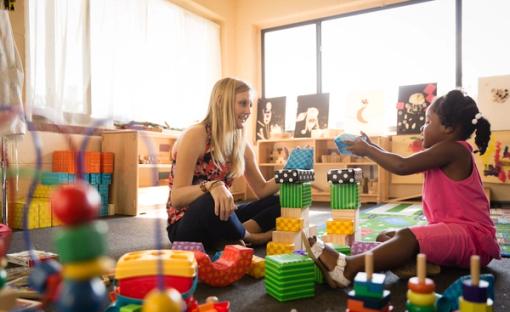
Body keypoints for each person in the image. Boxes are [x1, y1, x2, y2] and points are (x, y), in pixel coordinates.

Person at [304, 89, 500, 288]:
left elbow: (402, 166)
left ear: (448, 128)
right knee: (387, 237)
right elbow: (401, 162)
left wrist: (368, 150)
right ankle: (422, 264)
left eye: (428, 121)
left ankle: (348, 268)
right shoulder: (446, 150)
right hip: (454, 233)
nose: (423, 127)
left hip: (472, 239)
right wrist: (373, 147)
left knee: (406, 237)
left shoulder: (454, 150)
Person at [166, 77, 281, 251]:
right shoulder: (195, 135)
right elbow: (177, 198)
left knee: (278, 202)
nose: (249, 111)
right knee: (209, 201)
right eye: (243, 103)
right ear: (220, 102)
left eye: (250, 104)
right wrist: (213, 186)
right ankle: (249, 237)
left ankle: (230, 234)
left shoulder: (241, 142)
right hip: (186, 224)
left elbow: (262, 189)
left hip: (222, 214)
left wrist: (289, 173)